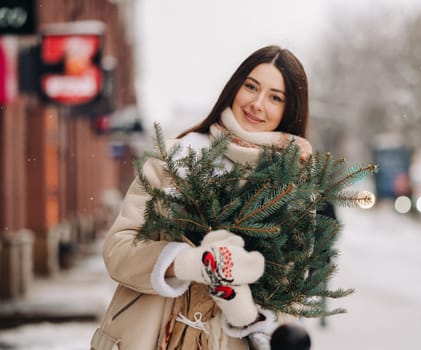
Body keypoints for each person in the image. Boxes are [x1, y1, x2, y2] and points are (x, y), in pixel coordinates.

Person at [90, 45, 312, 350]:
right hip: (148, 338)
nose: (257, 104)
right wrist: (185, 262)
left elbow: (289, 294)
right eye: (251, 87)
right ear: (235, 88)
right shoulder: (172, 159)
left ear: (289, 110)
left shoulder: (290, 187)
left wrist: (261, 321)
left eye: (276, 97)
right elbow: (118, 251)